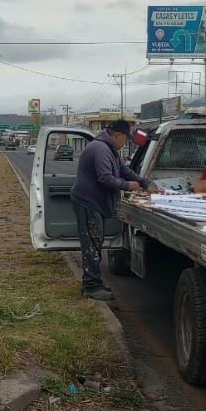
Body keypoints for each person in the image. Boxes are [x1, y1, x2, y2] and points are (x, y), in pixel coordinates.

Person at [70, 120, 153, 301]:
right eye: (125, 138)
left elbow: (124, 170)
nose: (126, 142)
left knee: (95, 243)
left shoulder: (109, 150)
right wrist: (127, 186)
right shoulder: (101, 149)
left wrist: (145, 183)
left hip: (93, 203)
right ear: (118, 135)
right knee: (92, 244)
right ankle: (91, 287)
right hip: (88, 202)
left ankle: (93, 282)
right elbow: (105, 178)